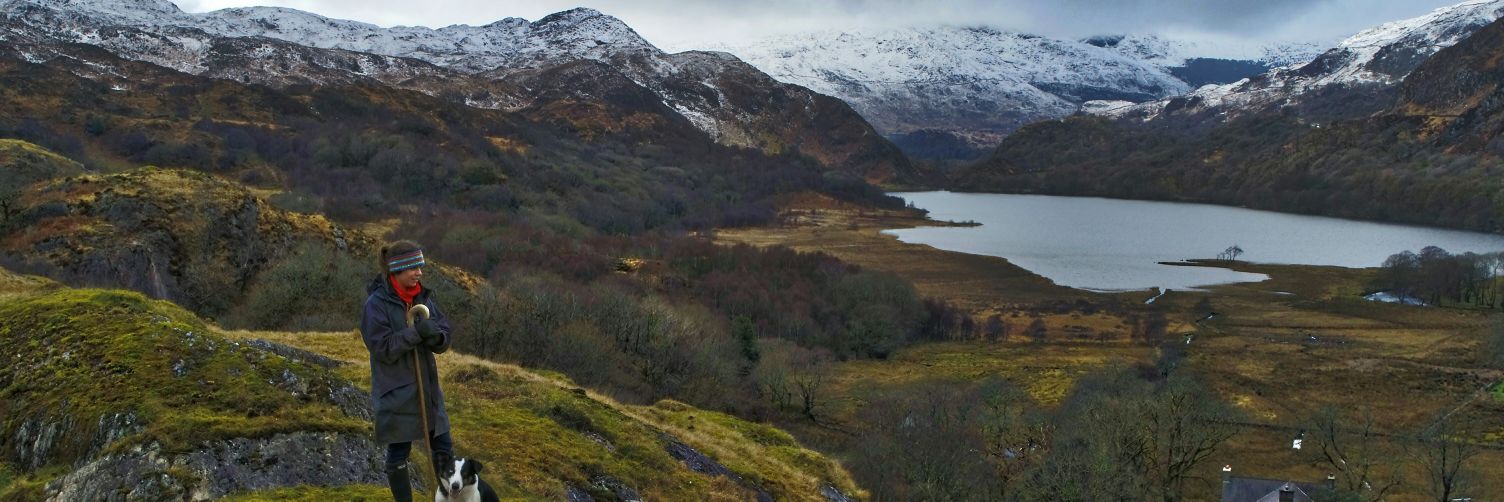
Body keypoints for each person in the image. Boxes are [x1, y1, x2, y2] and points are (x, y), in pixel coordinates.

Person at [361, 240, 454, 502]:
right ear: (397, 270)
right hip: (397, 391)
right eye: (414, 268)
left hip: (428, 389)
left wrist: (436, 337)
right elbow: (381, 347)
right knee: (399, 453)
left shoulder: (422, 298)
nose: (419, 273)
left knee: (444, 450)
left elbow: (444, 332)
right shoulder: (376, 304)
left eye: (420, 267)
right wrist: (416, 333)